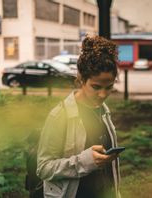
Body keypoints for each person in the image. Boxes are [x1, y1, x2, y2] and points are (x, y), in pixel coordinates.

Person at [36, 35, 121, 198]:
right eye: (96, 87)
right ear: (81, 79)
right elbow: (43, 168)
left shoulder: (103, 109)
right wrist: (84, 162)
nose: (103, 94)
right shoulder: (60, 115)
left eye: (109, 87)